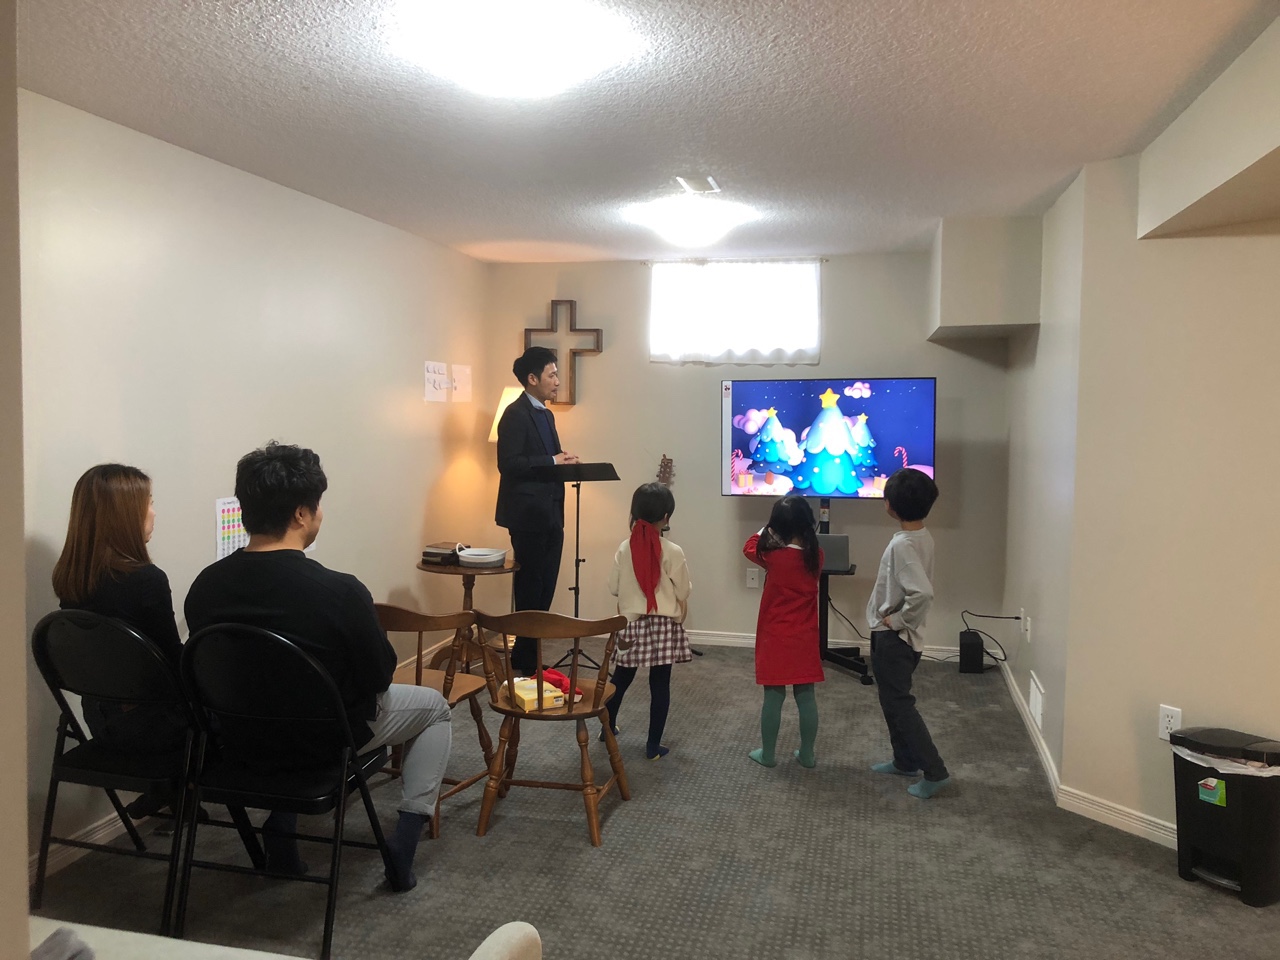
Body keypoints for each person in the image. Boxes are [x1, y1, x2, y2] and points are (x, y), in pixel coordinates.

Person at [185, 442, 451, 891]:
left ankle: (282, 827)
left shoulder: (204, 588)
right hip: (326, 742)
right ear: (301, 514)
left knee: (280, 695)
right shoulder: (340, 592)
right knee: (436, 708)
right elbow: (378, 678)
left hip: (241, 739)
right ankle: (405, 842)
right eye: (318, 506)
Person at [51, 463, 188, 819]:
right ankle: (178, 789)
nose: (154, 512)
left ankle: (171, 793)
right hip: (154, 732)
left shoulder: (70, 579)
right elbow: (172, 665)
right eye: (150, 503)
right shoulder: (147, 580)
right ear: (126, 516)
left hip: (99, 723)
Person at [494, 345, 580, 675]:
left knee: (546, 587)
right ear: (532, 379)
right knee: (530, 587)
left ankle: (526, 657)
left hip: (552, 513)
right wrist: (551, 461)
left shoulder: (546, 414)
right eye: (552, 375)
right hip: (527, 515)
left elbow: (549, 459)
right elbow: (509, 464)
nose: (557, 381)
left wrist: (564, 460)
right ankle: (525, 660)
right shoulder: (514, 414)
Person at [867, 468, 950, 799]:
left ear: (890, 505)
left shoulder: (902, 545)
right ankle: (904, 761)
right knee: (891, 701)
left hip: (894, 640)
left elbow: (923, 593)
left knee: (900, 705)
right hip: (900, 639)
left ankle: (935, 771)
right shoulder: (921, 536)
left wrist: (899, 620)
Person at [602, 483, 692, 760]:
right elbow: (683, 592)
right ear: (666, 517)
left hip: (631, 623)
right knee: (660, 684)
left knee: (621, 678)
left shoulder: (624, 548)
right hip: (663, 624)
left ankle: (606, 729)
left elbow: (613, 587)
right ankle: (653, 746)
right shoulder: (673, 550)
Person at [743, 496, 824, 768]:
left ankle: (768, 755)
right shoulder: (816, 556)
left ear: (776, 527)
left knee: (773, 697)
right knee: (806, 696)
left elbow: (749, 546)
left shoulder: (772, 556)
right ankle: (808, 754)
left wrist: (766, 530)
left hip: (775, 637)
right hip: (805, 638)